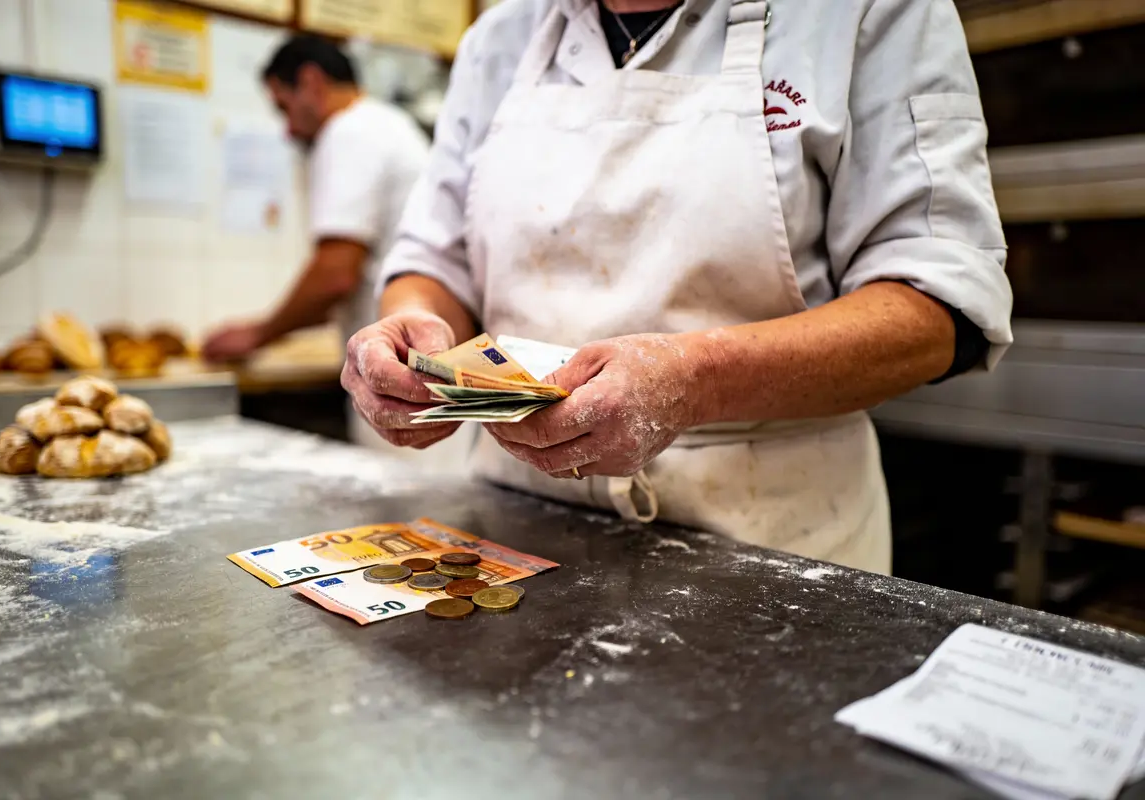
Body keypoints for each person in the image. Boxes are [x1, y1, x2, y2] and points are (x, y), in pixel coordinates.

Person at [342, 0, 1014, 573]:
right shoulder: (500, 36)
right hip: (517, 529)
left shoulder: (868, 13)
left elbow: (936, 309)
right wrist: (414, 331)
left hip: (773, 542)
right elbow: (433, 261)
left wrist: (695, 379)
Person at [203, 35, 452, 455]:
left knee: (407, 519)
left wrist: (257, 335)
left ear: (312, 82)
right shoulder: (389, 125)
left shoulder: (348, 132)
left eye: (283, 106)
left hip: (401, 384)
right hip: (423, 373)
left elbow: (335, 276)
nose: (287, 127)